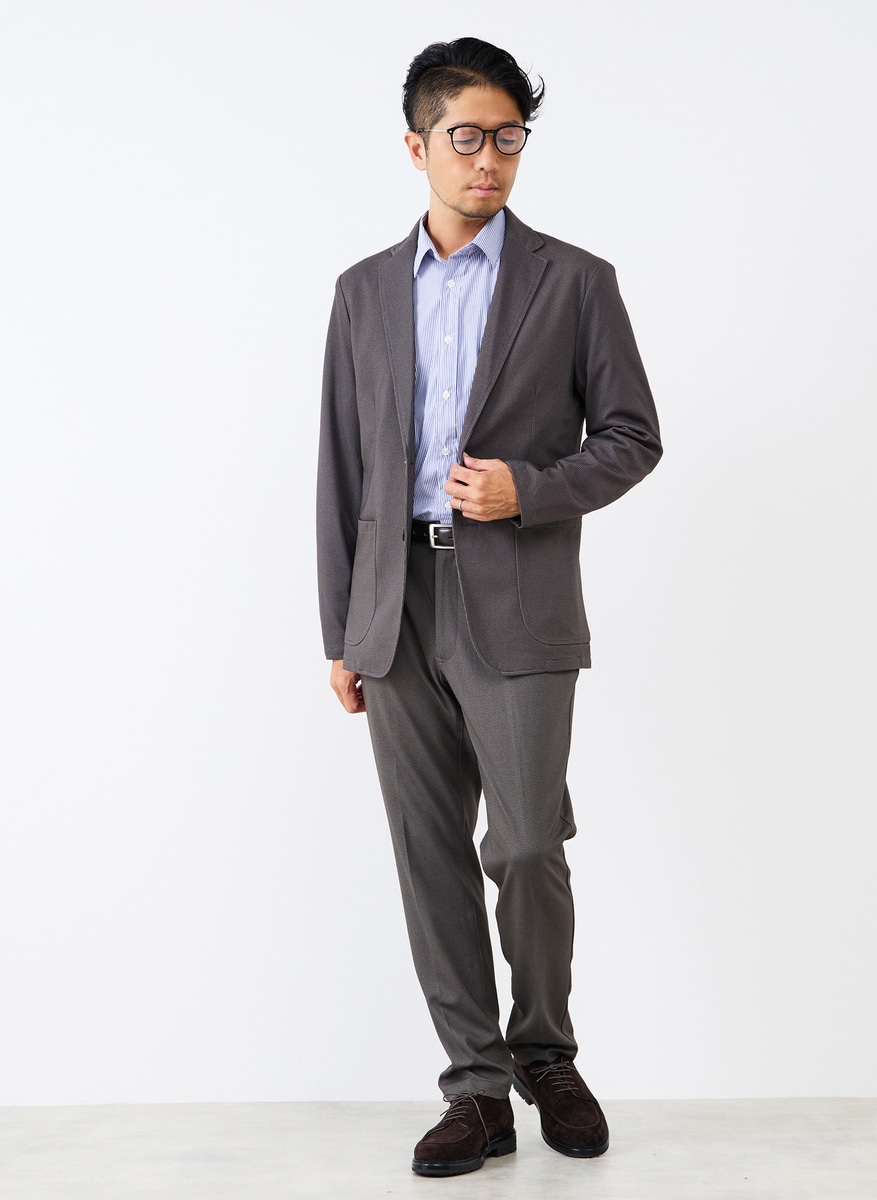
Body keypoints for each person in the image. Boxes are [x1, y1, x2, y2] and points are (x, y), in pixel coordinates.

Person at [317, 36, 662, 1177]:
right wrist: (342, 631)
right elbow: (342, 471)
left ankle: (545, 1054)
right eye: (466, 136)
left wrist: (530, 490)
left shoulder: (574, 281)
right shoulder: (363, 292)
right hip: (395, 606)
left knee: (523, 841)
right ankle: (475, 1089)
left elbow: (633, 437)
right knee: (427, 853)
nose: (490, 158)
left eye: (509, 137)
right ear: (416, 145)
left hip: (517, 598)